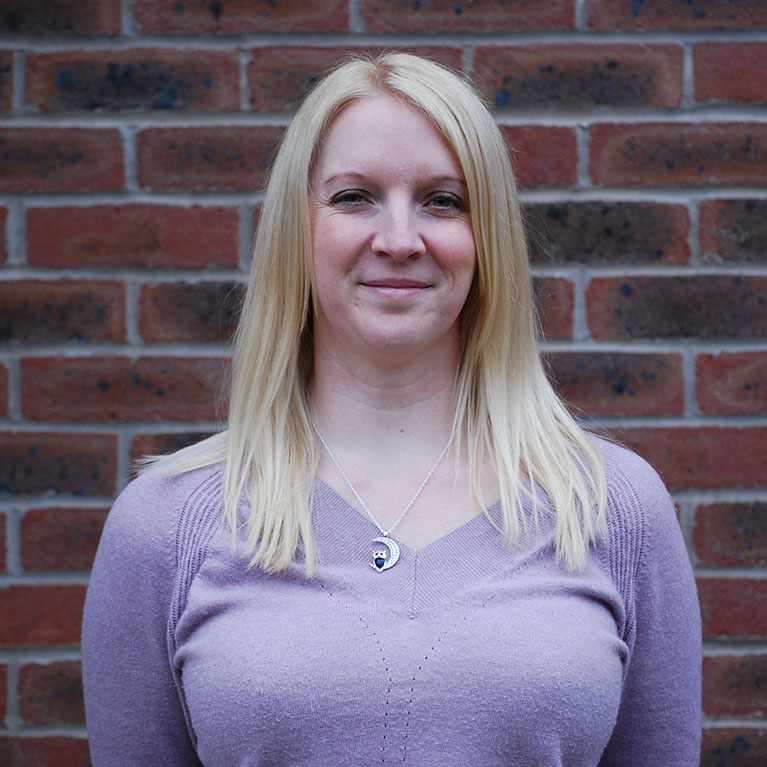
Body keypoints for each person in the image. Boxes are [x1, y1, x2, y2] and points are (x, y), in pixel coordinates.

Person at [82, 53, 701, 766]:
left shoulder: (610, 507)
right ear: (296, 229)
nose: (400, 239)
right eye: (354, 197)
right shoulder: (165, 523)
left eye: (442, 200)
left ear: (485, 238)